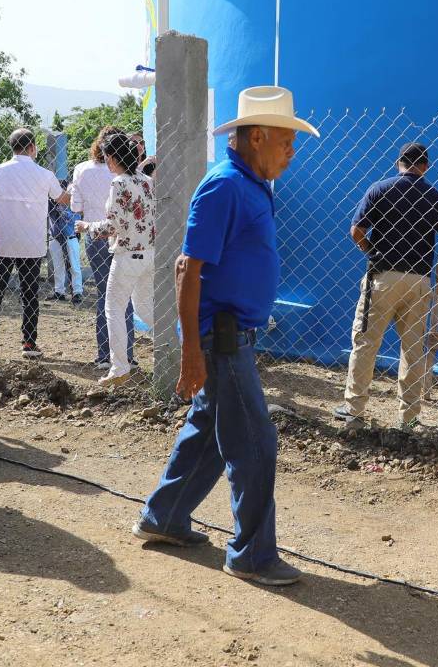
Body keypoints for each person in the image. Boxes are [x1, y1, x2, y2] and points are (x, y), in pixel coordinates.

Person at [134, 85, 317, 587]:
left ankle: (164, 516)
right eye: (285, 141)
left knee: (209, 435)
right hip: (223, 340)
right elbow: (186, 268)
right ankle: (252, 555)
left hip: (233, 337)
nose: (291, 152)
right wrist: (191, 349)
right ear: (257, 137)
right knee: (254, 442)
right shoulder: (225, 187)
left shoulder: (250, 184)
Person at [334, 143, 438, 430]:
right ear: (426, 166)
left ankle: (354, 410)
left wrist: (371, 251)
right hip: (418, 279)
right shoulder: (435, 197)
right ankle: (409, 417)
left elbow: (356, 230)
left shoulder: (379, 189)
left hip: (382, 275)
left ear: (398, 163)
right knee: (413, 349)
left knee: (366, 343)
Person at [0, 129, 70, 359]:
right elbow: (63, 199)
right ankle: (29, 343)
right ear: (32, 147)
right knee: (29, 294)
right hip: (32, 244)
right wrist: (78, 190)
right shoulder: (44, 174)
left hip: (3, 242)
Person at [76, 133, 156, 387]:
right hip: (149, 253)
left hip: (127, 254)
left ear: (111, 158)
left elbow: (113, 226)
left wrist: (87, 226)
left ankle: (119, 366)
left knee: (114, 308)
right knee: (145, 307)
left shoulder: (119, 183)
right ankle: (178, 346)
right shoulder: (146, 181)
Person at [69, 127, 134, 371]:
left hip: (94, 236)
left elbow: (75, 207)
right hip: (123, 238)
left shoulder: (82, 169)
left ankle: (104, 354)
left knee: (104, 294)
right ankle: (127, 354)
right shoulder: (127, 174)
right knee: (124, 295)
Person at [47, 179, 83, 303]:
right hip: (55, 237)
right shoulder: (51, 204)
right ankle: (59, 291)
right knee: (58, 266)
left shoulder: (74, 205)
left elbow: (73, 219)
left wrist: (62, 209)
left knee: (74, 266)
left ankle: (77, 292)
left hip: (70, 237)